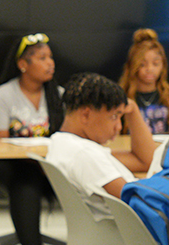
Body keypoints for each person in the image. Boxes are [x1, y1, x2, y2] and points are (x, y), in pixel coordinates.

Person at [0, 33, 81, 245]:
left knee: (81, 183)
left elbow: (70, 138)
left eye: (51, 57)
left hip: (50, 166)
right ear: (23, 64)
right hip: (7, 167)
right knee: (26, 181)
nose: (51, 63)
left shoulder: (59, 95)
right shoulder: (2, 96)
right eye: (42, 58)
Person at [47, 72, 154, 217]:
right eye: (114, 116)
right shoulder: (85, 154)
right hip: (134, 231)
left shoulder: (61, 143)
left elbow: (144, 161)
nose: (118, 127)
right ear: (85, 115)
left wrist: (133, 110)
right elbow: (140, 200)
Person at [118, 28, 169, 134]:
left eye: (156, 63)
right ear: (132, 66)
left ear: (163, 66)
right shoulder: (120, 100)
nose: (150, 69)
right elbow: (115, 140)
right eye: (142, 64)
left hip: (164, 150)